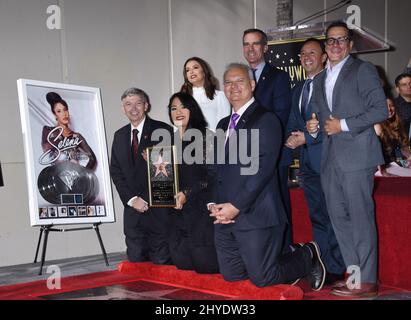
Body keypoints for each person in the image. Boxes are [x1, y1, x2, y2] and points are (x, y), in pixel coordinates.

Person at [207, 62, 326, 290]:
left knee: (262, 278)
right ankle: (280, 259)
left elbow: (261, 170)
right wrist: (213, 203)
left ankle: (307, 254)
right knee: (232, 276)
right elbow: (215, 168)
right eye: (228, 83)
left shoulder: (266, 120)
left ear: (252, 85)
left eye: (239, 81)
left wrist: (236, 206)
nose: (233, 87)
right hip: (224, 217)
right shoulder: (223, 124)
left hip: (256, 214)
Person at [306, 21, 388, 297]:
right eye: (331, 40)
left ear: (350, 45)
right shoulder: (318, 79)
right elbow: (320, 117)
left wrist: (343, 125)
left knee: (360, 220)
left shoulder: (363, 71)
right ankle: (354, 280)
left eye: (342, 40)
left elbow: (380, 110)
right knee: (339, 221)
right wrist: (313, 127)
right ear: (325, 45)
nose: (336, 44)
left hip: (358, 157)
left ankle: (368, 282)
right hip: (330, 160)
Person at [285, 38, 346, 285]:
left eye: (312, 52)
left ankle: (336, 266)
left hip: (330, 161)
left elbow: (337, 124)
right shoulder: (298, 89)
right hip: (307, 165)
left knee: (334, 216)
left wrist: (306, 140)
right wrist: (290, 140)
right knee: (318, 215)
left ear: (323, 57)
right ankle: (321, 261)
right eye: (302, 53)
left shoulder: (333, 85)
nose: (306, 57)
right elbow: (292, 122)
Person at [242, 28, 293, 248]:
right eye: (246, 44)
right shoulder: (239, 78)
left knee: (278, 204)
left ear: (265, 48)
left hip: (272, 154)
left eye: (255, 44)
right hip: (245, 154)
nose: (250, 49)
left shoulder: (278, 77)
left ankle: (285, 251)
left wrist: (260, 145)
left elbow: (281, 115)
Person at [110, 87, 173, 264]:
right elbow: (116, 171)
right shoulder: (120, 135)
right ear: (123, 109)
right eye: (128, 104)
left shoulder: (163, 130)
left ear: (146, 105)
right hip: (133, 212)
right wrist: (132, 199)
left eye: (138, 103)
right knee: (136, 263)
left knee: (161, 263)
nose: (133, 108)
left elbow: (167, 173)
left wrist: (144, 199)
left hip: (157, 211)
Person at [167, 92, 219, 274]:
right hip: (176, 210)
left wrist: (187, 193)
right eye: (174, 108)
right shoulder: (167, 140)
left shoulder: (207, 136)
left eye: (183, 107)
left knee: (205, 266)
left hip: (201, 206)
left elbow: (212, 176)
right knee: (182, 264)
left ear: (192, 109)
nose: (178, 112)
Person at [42, 92, 97, 170]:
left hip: (74, 178)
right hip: (57, 177)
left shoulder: (77, 136)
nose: (64, 114)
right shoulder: (48, 131)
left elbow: (93, 159)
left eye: (65, 110)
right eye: (59, 111)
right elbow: (48, 153)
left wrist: (82, 174)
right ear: (54, 114)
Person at [181, 57, 231, 131]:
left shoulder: (220, 96)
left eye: (195, 67)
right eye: (187, 70)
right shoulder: (181, 99)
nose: (191, 72)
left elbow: (224, 127)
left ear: (204, 71)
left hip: (213, 141)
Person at [374, 97, 411, 176]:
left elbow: (398, 154)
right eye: (385, 106)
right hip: (383, 169)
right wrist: (384, 172)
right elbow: (375, 154)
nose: (389, 109)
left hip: (395, 166)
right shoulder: (378, 127)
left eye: (391, 105)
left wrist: (407, 162)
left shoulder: (397, 125)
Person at [394, 73, 411, 139]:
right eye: (404, 84)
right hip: (402, 144)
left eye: (410, 83)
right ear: (397, 89)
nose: (409, 86)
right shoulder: (393, 106)